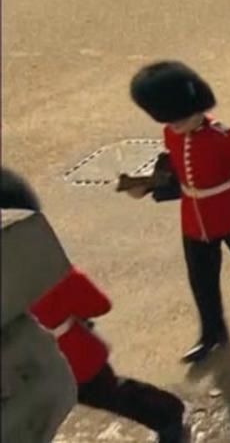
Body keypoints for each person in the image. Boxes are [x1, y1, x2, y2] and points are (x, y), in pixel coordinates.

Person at [2, 170, 187, 442]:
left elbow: (98, 304)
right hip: (33, 363)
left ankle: (167, 413)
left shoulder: (53, 277)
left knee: (111, 395)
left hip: (73, 356)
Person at [126, 61, 230, 364]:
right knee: (201, 279)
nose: (173, 126)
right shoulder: (171, 133)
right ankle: (211, 331)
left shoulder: (225, 137)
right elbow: (180, 174)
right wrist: (149, 188)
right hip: (194, 218)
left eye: (179, 119)